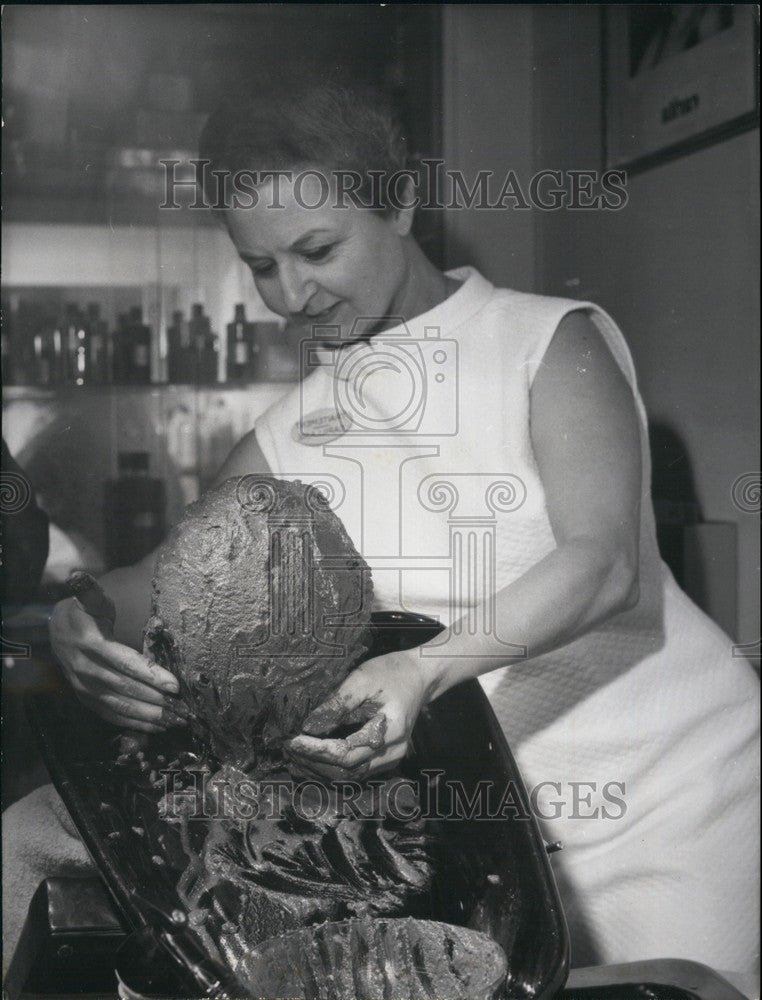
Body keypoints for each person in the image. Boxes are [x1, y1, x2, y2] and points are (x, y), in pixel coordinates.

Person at [3, 83, 759, 980]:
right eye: (260, 266)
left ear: (399, 201)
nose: (289, 294)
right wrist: (80, 615)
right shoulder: (286, 432)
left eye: (316, 250)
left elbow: (602, 562)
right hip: (483, 826)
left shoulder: (548, 341)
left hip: (667, 791)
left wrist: (423, 666)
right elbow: (166, 577)